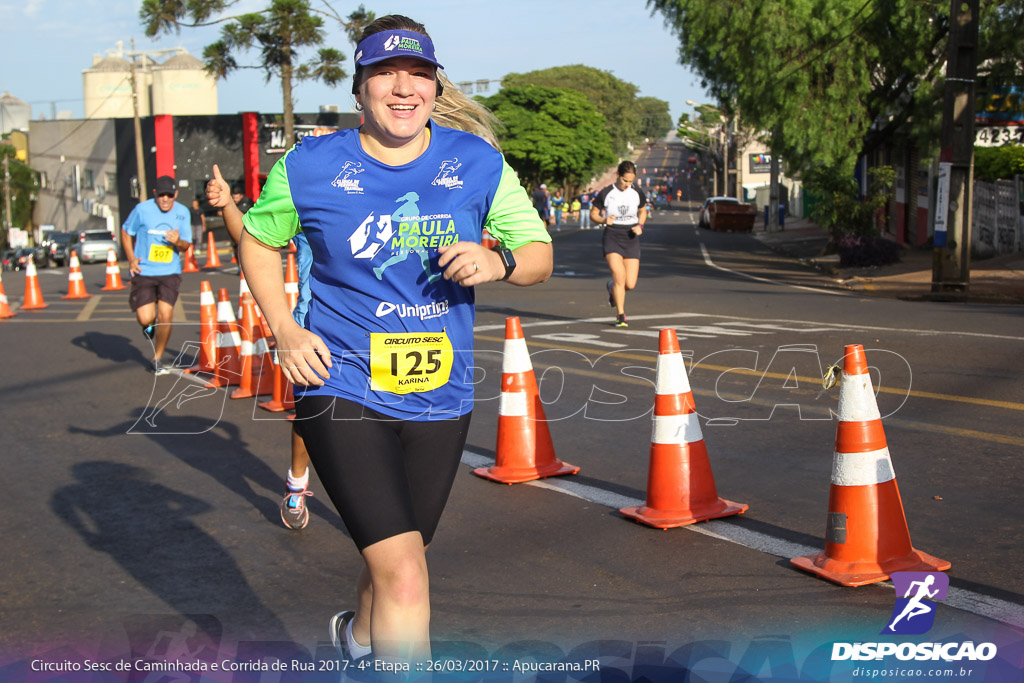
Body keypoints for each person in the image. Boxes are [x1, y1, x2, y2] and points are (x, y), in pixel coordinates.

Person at [213, 14, 552, 666]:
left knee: (398, 554)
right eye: (385, 74)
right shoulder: (311, 166)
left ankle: (357, 640)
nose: (404, 88)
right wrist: (283, 328)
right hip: (338, 385)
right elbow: (257, 241)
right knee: (406, 574)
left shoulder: (476, 163)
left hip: (439, 394)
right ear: (359, 87)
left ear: (434, 85)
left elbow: (538, 252)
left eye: (418, 74)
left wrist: (499, 263)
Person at [120, 175, 192, 375]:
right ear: (155, 195)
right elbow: (126, 232)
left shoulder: (183, 212)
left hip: (170, 271)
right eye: (162, 195)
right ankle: (148, 326)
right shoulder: (142, 210)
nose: (166, 199)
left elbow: (186, 244)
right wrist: (131, 258)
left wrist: (178, 241)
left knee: (166, 314)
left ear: (176, 194)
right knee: (145, 318)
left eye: (170, 195)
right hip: (145, 271)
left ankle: (157, 358)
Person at [591, 160, 647, 328]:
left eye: (631, 181)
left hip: (631, 237)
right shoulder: (607, 193)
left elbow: (643, 211)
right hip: (612, 235)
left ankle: (611, 288)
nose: (627, 185)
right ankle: (621, 315)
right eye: (624, 180)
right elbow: (593, 213)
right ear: (618, 176)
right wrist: (603, 219)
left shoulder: (637, 192)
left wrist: (640, 226)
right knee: (619, 276)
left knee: (630, 283)